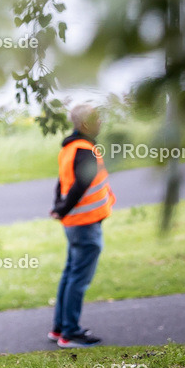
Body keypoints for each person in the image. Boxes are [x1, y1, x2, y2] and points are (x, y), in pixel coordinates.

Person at [48, 104, 116, 349]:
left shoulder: (69, 148)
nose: (101, 123)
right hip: (85, 224)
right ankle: (70, 333)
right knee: (78, 278)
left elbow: (62, 182)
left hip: (74, 222)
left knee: (70, 274)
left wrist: (59, 207)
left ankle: (60, 328)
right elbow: (80, 184)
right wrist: (63, 208)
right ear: (86, 124)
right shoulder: (85, 149)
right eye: (97, 119)